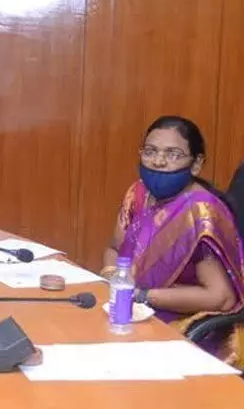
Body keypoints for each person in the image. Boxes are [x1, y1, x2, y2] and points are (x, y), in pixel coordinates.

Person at [102, 115, 244, 367]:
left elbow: (222, 298)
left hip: (185, 326)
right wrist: (115, 278)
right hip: (130, 312)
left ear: (196, 163)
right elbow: (114, 249)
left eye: (173, 154)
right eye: (150, 151)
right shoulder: (139, 193)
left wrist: (143, 296)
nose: (158, 161)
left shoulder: (199, 213)